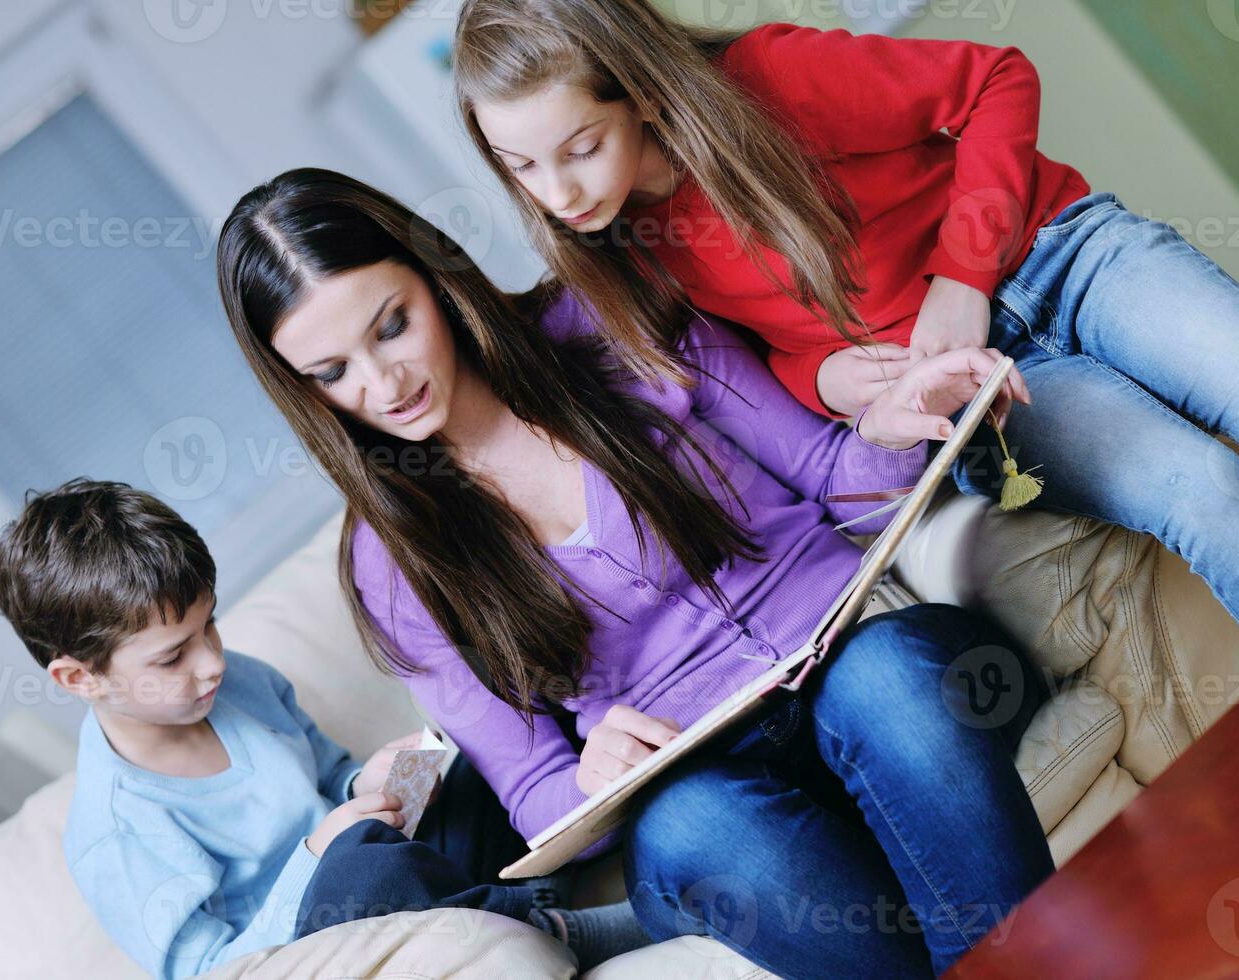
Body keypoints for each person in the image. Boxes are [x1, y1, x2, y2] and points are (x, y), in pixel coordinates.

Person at [215, 167, 1049, 977]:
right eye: (331, 374)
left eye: (392, 325)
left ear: (435, 278)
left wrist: (899, 424)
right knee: (696, 828)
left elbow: (833, 477)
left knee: (886, 677)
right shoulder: (390, 562)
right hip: (709, 785)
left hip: (871, 676)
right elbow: (535, 791)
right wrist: (588, 775)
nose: (382, 383)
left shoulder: (602, 318)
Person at [452, 0, 1239, 638]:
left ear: (643, 93)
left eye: (581, 147)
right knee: (1203, 490)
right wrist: (826, 378)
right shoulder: (619, 251)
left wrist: (962, 275)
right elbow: (769, 360)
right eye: (522, 167)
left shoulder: (770, 79)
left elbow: (996, 81)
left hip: (1068, 254)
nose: (559, 195)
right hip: (988, 397)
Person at [0, 477, 642, 978]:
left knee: (471, 739)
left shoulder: (238, 681)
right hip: (327, 937)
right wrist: (318, 855)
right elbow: (218, 972)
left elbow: (332, 777)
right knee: (365, 875)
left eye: (209, 625)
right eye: (172, 656)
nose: (211, 661)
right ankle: (552, 928)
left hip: (392, 868)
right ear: (80, 678)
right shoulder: (118, 828)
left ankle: (526, 894)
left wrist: (373, 781)